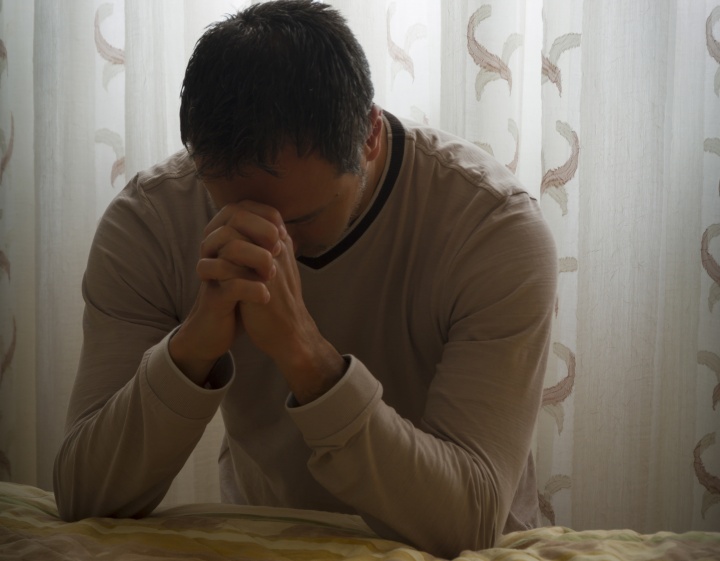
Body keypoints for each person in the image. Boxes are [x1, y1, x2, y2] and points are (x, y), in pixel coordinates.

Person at [53, 1, 557, 557]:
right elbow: (85, 496)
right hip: (269, 542)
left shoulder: (491, 228)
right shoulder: (148, 223)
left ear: (368, 135)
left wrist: (307, 357)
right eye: (230, 210)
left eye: (300, 220)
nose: (271, 245)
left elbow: (468, 520)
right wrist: (192, 349)